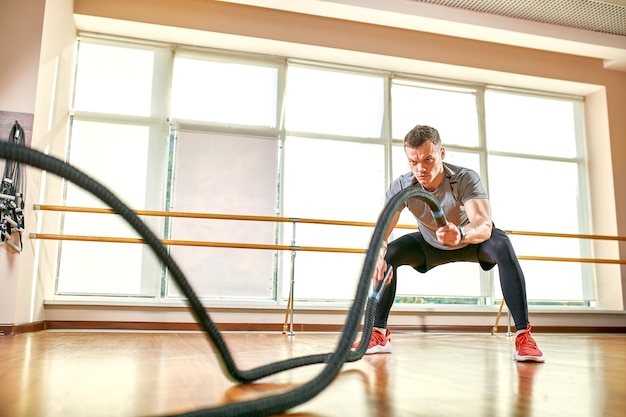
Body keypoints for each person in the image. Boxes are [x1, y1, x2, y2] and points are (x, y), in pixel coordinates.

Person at [353, 125, 544, 362]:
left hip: (472, 242)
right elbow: (381, 231)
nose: (420, 168)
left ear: (441, 154)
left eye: (427, 159)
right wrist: (377, 257)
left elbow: (484, 224)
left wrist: (461, 234)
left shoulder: (464, 178)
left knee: (502, 244)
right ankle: (379, 334)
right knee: (390, 253)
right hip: (430, 244)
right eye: (413, 161)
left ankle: (524, 336)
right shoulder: (402, 186)